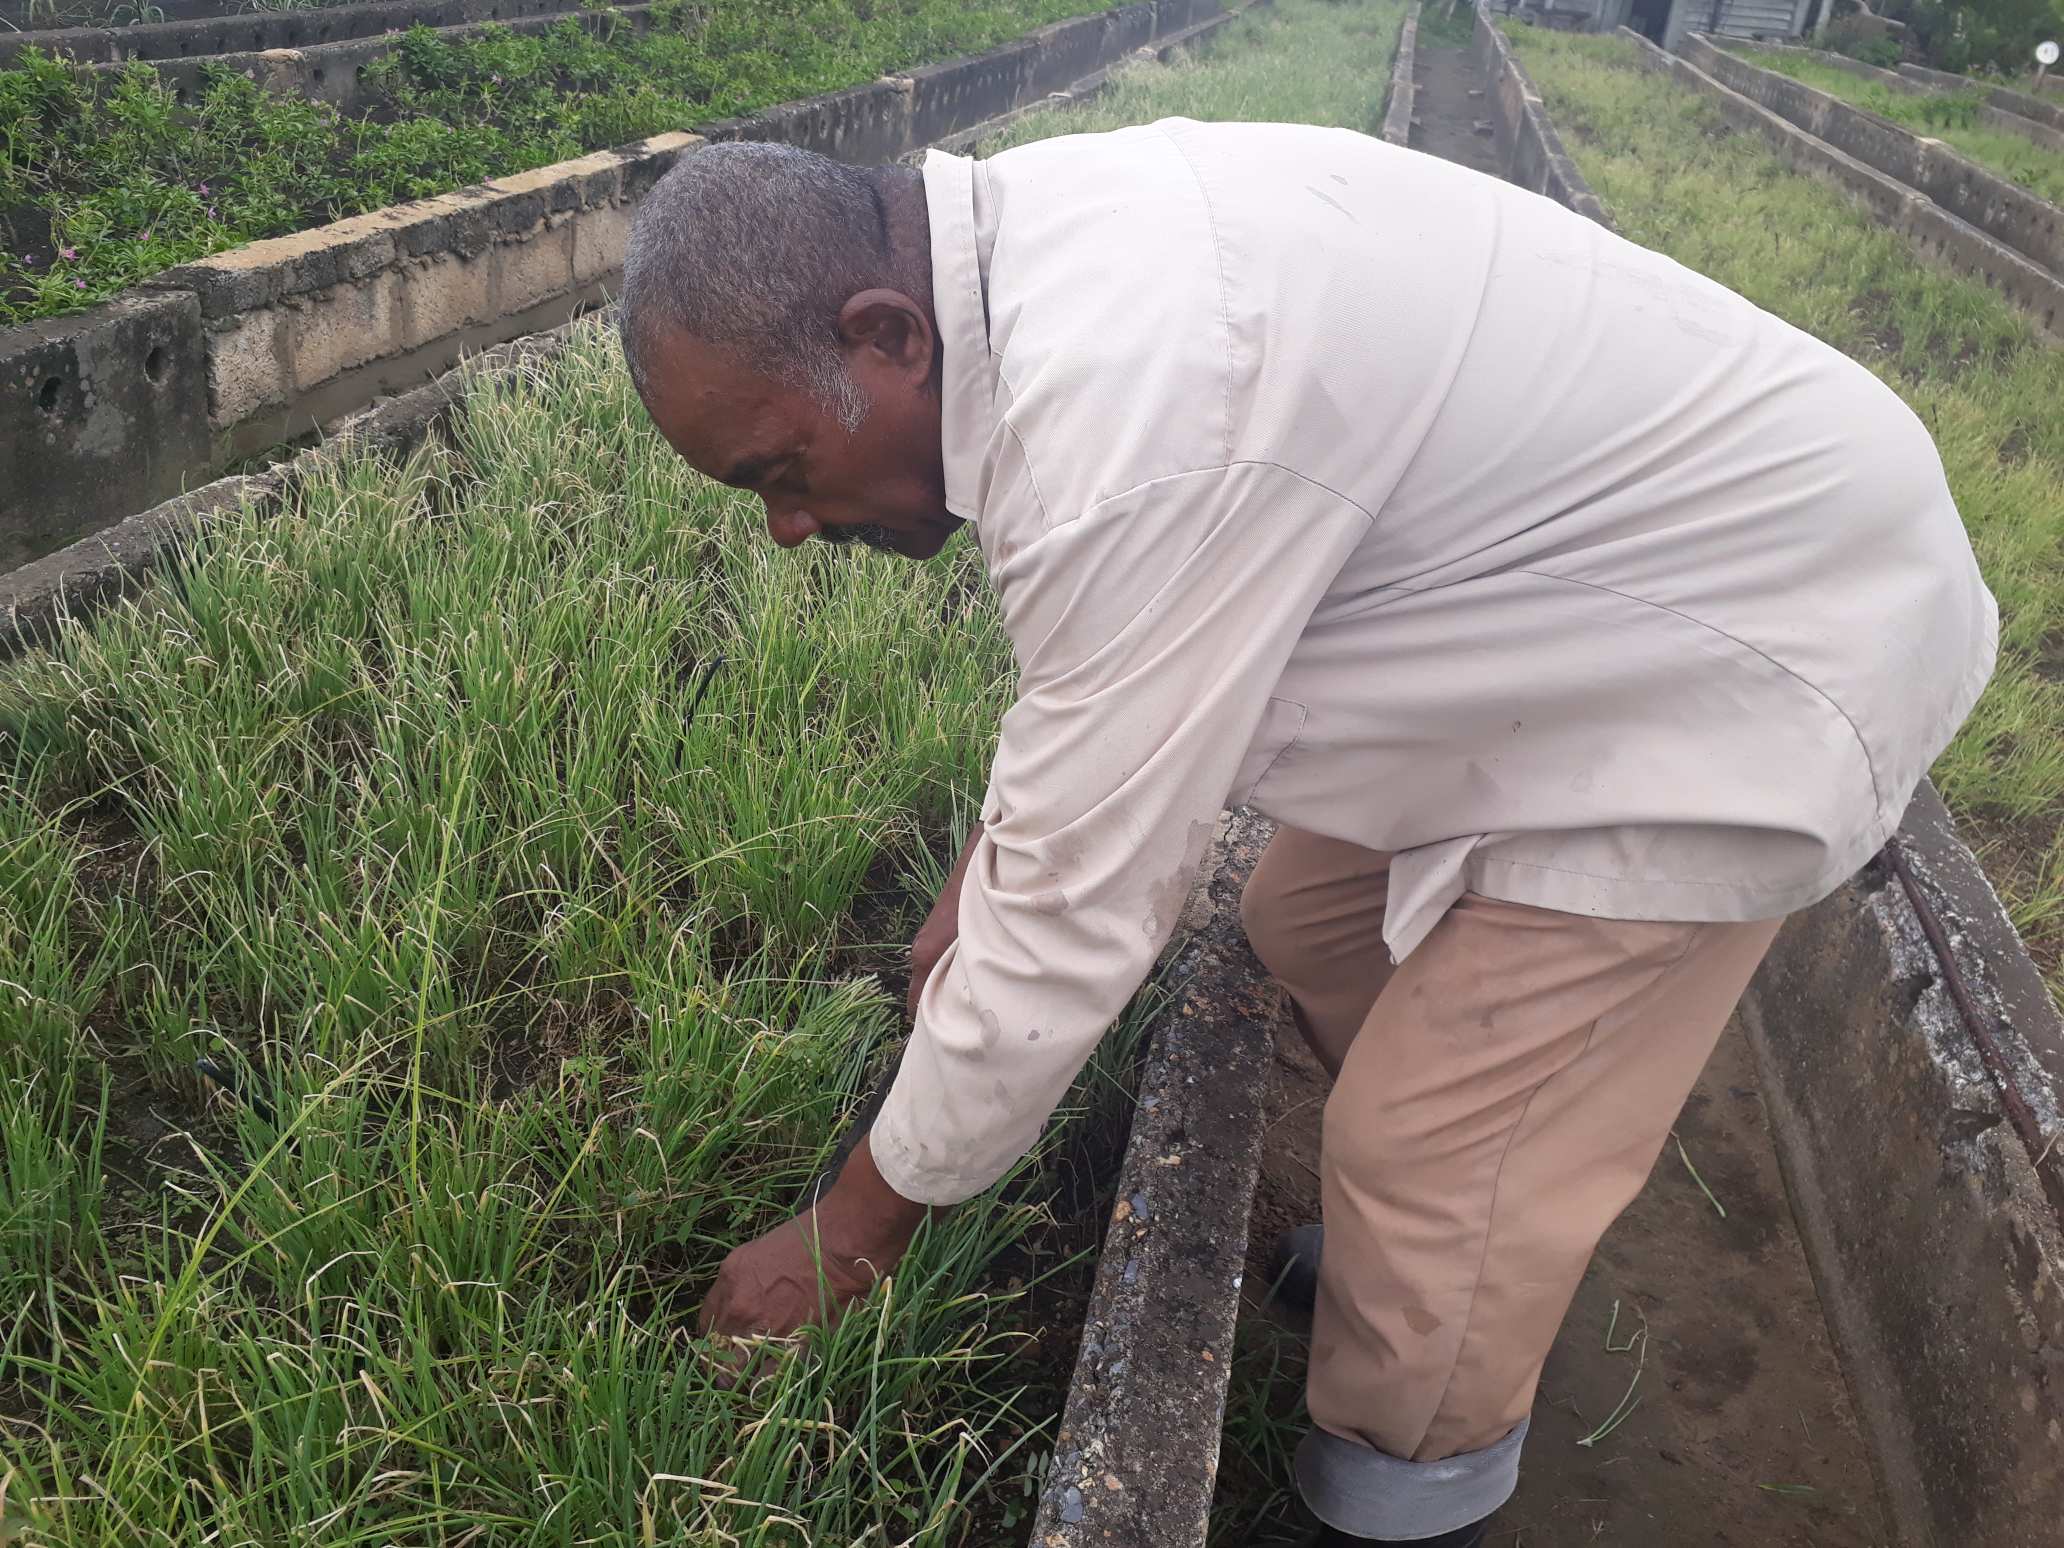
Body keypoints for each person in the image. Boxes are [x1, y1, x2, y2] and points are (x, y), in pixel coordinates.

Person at [615, 122, 1996, 1546]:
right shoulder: (1037, 268)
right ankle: (1447, 1260)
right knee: (1309, 923)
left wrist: (849, 1237)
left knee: (1427, 1150)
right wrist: (993, 858)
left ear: (887, 334)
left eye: (779, 468)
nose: (785, 526)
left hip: (1754, 642)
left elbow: (1080, 914)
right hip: (1584, 592)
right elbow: (1108, 700)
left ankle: (1411, 1477)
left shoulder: (1136, 398)